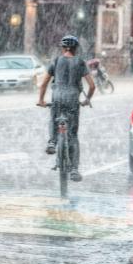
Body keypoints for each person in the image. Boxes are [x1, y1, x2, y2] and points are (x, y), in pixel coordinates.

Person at [37, 35, 95, 182]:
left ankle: (52, 142)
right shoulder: (80, 62)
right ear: (76, 49)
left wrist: (41, 100)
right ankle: (74, 170)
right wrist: (86, 100)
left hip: (57, 98)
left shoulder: (56, 61)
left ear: (63, 48)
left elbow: (43, 84)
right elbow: (92, 86)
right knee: (73, 136)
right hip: (73, 100)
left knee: (53, 118)